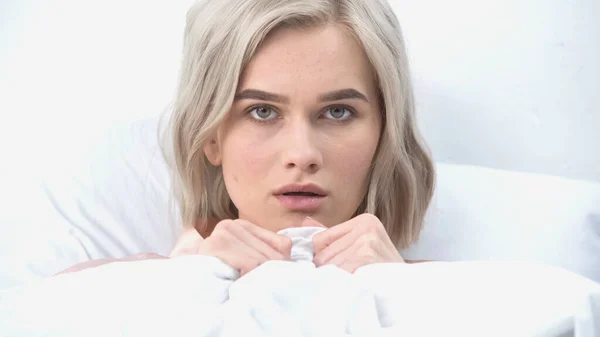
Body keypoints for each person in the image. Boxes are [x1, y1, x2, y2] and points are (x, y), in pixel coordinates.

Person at [59, 0, 435, 276]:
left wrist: (401, 291)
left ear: (384, 133)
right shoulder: (118, 291)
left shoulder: (458, 299)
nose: (302, 155)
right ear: (211, 135)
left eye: (338, 112)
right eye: (263, 111)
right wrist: (183, 282)